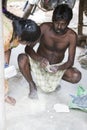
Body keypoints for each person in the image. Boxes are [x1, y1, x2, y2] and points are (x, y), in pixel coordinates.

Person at [18, 4, 81, 99]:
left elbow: (70, 61)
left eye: (63, 24)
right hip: (39, 63)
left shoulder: (71, 36)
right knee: (22, 58)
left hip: (56, 68)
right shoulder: (44, 28)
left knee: (76, 76)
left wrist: (58, 67)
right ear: (53, 20)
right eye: (57, 23)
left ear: (68, 23)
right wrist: (39, 59)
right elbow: (28, 48)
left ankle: (54, 81)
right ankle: (32, 85)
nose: (59, 27)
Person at [3, 5, 41, 104]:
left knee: (4, 71)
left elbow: (8, 48)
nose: (28, 45)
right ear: (21, 38)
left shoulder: (16, 34)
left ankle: (3, 94)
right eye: (28, 42)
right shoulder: (5, 35)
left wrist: (5, 64)